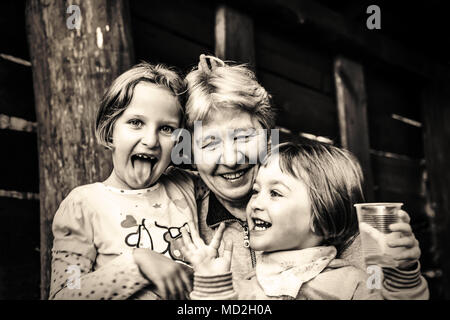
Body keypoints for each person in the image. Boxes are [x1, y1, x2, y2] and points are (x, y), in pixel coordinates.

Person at [181, 141, 429, 300]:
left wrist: (403, 273)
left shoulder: (351, 284)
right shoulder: (242, 287)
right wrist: (212, 285)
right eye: (256, 191)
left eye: (275, 193)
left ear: (320, 218)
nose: (255, 203)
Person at [49, 62, 197, 300]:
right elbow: (65, 293)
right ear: (110, 131)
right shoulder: (84, 204)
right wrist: (137, 264)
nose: (150, 140)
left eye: (167, 129)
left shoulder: (187, 186)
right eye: (136, 122)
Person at [184, 54, 276, 281]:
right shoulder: (178, 218)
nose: (231, 159)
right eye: (210, 142)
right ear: (191, 155)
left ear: (268, 140)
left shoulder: (312, 201)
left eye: (243, 136)